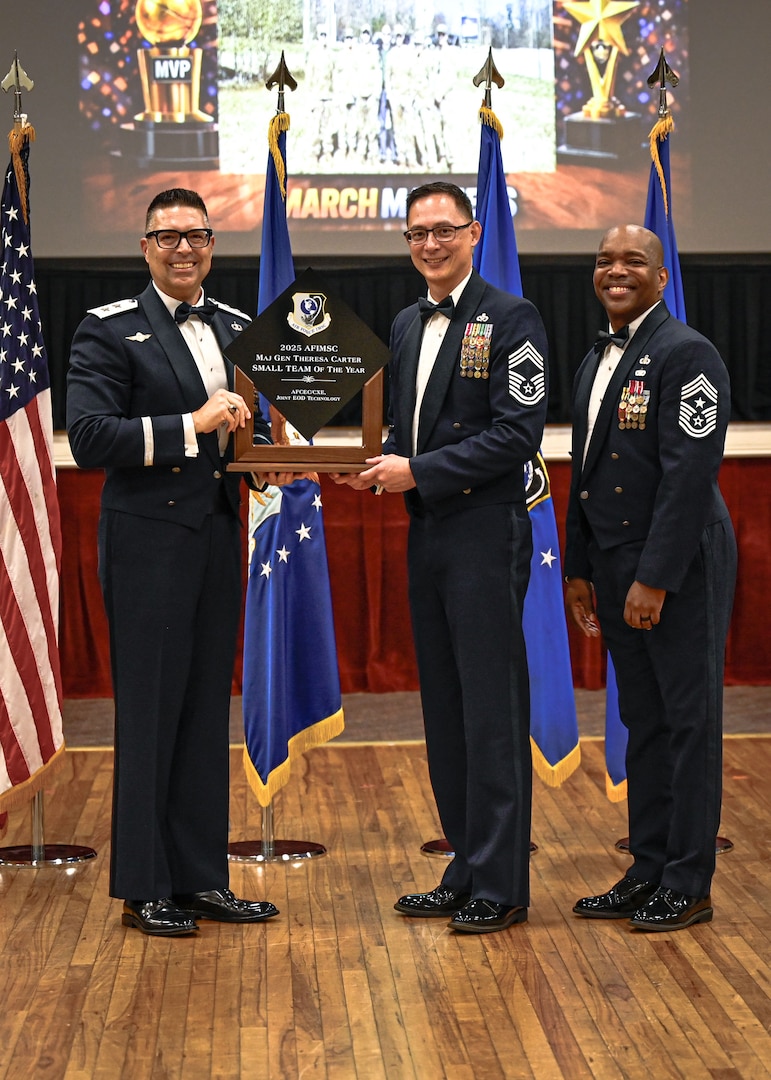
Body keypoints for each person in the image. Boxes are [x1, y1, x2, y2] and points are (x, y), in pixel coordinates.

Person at [332, 181, 548, 933]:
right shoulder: (403, 320)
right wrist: (368, 461)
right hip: (427, 533)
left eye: (443, 231)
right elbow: (400, 428)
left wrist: (417, 471)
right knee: (447, 709)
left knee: (490, 708)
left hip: (485, 534)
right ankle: (464, 865)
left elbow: (518, 435)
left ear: (473, 231)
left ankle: (501, 882)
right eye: (416, 233)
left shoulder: (511, 318)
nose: (429, 244)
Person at [66, 188, 284, 936]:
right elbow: (91, 438)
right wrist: (190, 423)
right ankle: (144, 884)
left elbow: (248, 442)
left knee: (199, 713)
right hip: (146, 543)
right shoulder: (108, 330)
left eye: (196, 236)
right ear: (144, 247)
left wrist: (271, 464)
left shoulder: (237, 328)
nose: (183, 249)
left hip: (217, 536)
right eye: (167, 238)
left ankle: (199, 877)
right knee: (152, 712)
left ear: (213, 244)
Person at [564, 224, 737, 931]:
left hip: (676, 565)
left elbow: (688, 476)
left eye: (633, 260)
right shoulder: (596, 357)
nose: (615, 270)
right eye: (604, 260)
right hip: (611, 563)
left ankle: (687, 880)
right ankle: (647, 866)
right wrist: (579, 568)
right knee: (642, 720)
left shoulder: (686, 354)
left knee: (687, 722)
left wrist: (654, 577)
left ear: (660, 278)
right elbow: (585, 472)